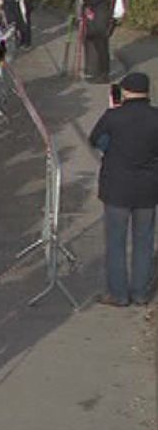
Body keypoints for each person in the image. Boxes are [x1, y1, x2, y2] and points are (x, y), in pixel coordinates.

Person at [88, 72, 158, 306]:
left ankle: (118, 294)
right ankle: (140, 293)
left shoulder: (113, 117)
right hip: (148, 189)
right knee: (144, 242)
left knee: (116, 243)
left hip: (117, 189)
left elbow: (95, 139)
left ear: (125, 92)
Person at [80, 0, 125, 84]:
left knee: (100, 47)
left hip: (101, 20)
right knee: (100, 46)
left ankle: (102, 74)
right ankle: (98, 72)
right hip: (102, 18)